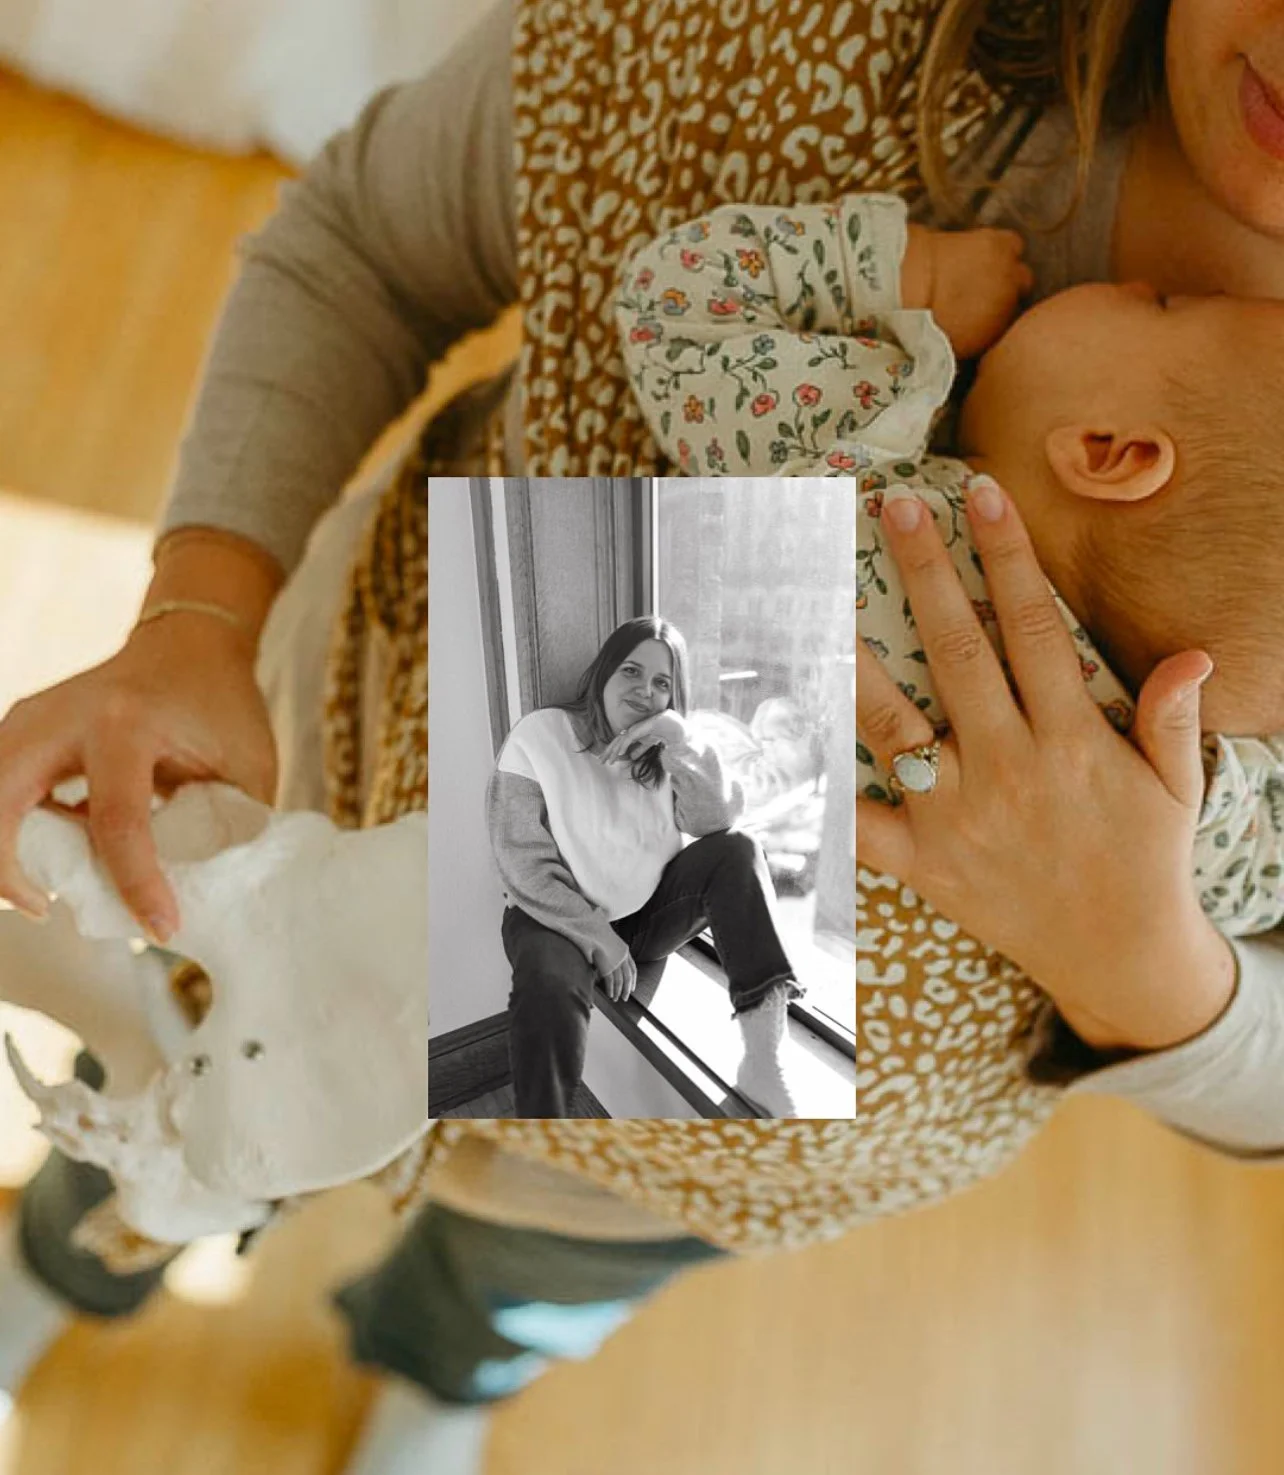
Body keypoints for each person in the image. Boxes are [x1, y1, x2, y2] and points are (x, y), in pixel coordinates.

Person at [1, 2, 1284, 1472]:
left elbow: (692, 304)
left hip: (656, 1171)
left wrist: (1150, 967)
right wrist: (200, 613)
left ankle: (433, 1367)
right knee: (186, 1054)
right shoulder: (1202, 770)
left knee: (501, 1267)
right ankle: (75, 1255)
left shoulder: (879, 429)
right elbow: (371, 234)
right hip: (326, 815)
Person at [616, 189, 1284, 932]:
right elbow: (1264, 875)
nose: (1131, 283)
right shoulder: (1154, 787)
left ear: (1107, 452)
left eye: (1166, 303)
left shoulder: (872, 464)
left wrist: (914, 274)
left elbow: (671, 307)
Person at [487, 614, 804, 1119]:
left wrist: (678, 740)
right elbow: (522, 862)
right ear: (603, 673)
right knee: (546, 985)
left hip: (646, 915)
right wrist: (600, 938)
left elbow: (715, 822)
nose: (645, 690)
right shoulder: (538, 736)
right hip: (554, 918)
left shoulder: (667, 750)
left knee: (740, 849)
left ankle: (763, 1059)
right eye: (631, 672)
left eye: (662, 683)